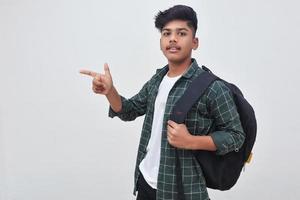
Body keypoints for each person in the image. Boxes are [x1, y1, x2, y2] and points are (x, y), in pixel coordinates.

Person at [80, 5, 245, 200]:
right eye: (167, 33)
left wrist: (191, 141)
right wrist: (110, 91)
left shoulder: (212, 87)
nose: (173, 39)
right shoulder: (157, 80)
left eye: (181, 33)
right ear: (160, 42)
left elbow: (236, 136)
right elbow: (128, 110)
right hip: (145, 182)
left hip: (182, 189)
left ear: (195, 42)